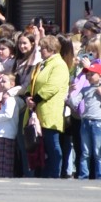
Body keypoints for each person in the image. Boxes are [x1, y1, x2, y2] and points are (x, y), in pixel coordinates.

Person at [26, 35, 68, 179]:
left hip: (50, 111)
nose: (40, 50)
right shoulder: (41, 64)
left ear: (51, 49)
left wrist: (35, 99)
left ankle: (55, 174)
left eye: (42, 48)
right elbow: (31, 83)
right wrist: (27, 96)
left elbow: (52, 87)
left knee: (52, 145)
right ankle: (42, 173)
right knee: (40, 146)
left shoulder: (59, 65)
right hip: (36, 111)